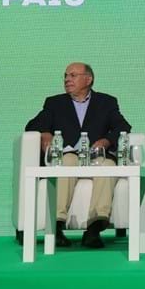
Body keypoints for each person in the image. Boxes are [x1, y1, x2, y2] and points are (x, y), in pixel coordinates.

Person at [25, 62, 132, 248]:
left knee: (108, 165)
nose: (67, 79)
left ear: (88, 79)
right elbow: (33, 125)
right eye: (66, 76)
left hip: (95, 156)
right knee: (67, 161)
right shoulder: (54, 103)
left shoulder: (107, 102)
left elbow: (123, 127)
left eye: (73, 75)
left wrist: (106, 141)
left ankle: (94, 228)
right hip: (69, 154)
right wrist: (45, 134)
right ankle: (57, 225)